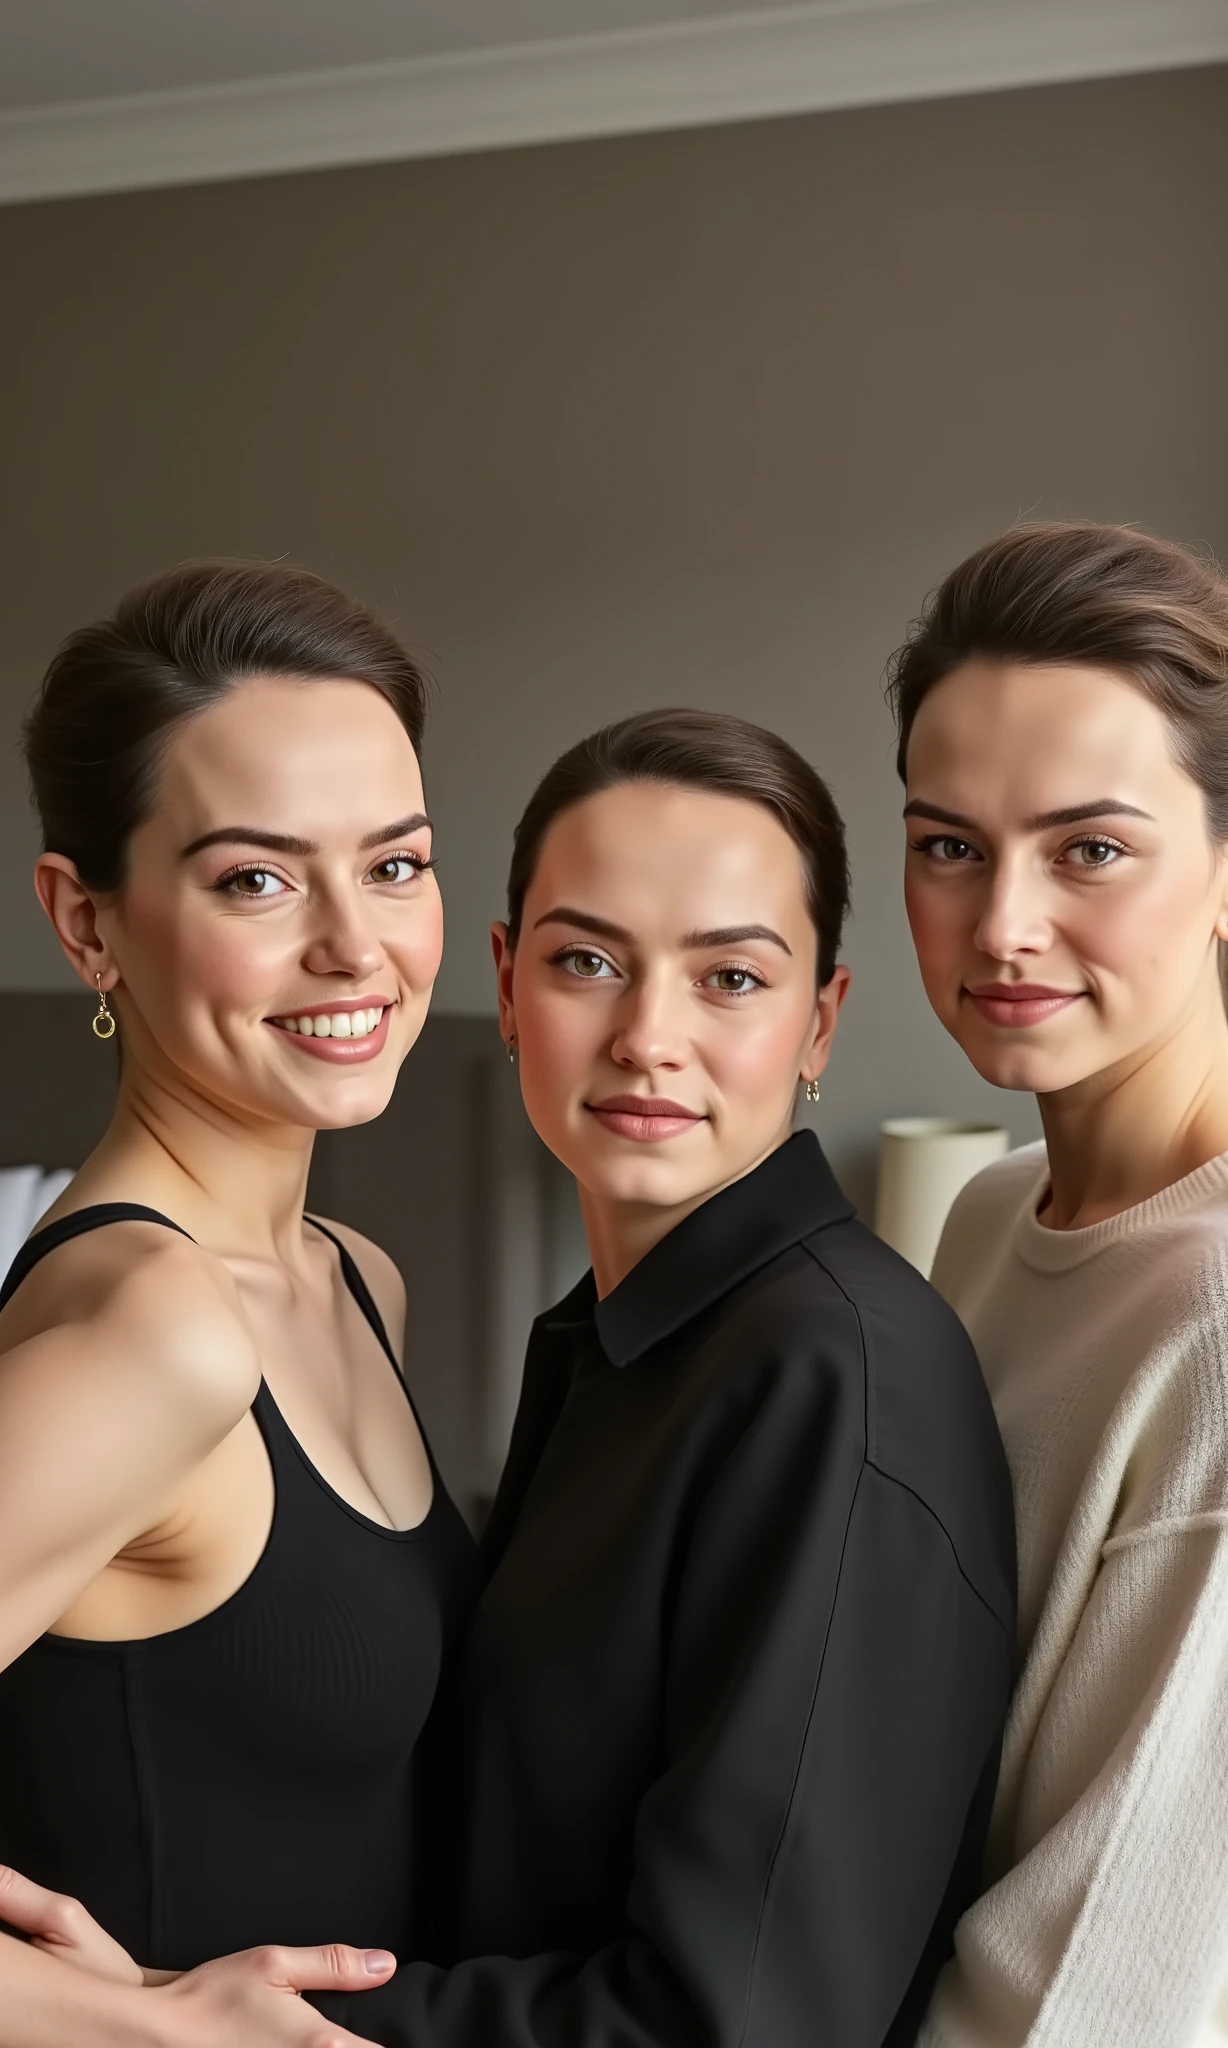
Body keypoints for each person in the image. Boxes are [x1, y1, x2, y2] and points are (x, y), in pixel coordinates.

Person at [301, 708, 1015, 2047]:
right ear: (509, 988)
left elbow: (733, 2027)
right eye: (587, 962)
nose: (646, 1036)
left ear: (821, 1021)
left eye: (731, 979)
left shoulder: (832, 1379)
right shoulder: (615, 1342)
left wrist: (239, 2023)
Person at [888, 521, 1228, 2046]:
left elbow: (1090, 1996)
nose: (1002, 924)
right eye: (949, 845)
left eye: (1089, 849)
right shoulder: (986, 1216)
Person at [0, 561, 475, 2047]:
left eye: (395, 865)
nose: (355, 944)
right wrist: (146, 2024)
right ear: (87, 921)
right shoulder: (156, 1333)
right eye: (256, 879)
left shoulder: (353, 1278)